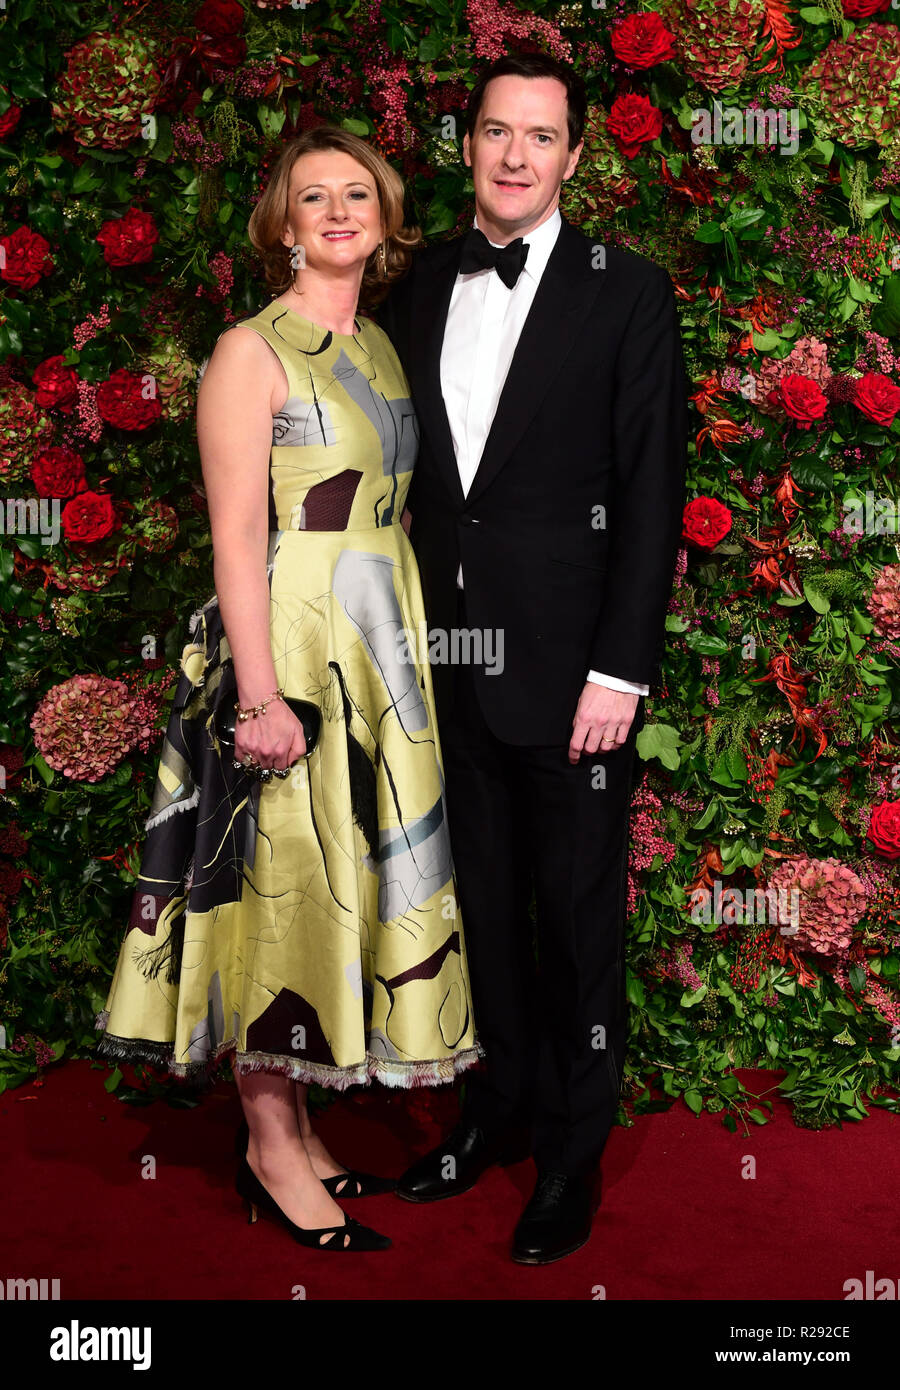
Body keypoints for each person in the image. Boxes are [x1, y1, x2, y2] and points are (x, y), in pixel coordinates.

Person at [95, 126, 481, 1253]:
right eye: (315, 197)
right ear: (284, 224)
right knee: (279, 881)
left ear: (386, 212)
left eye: (357, 193)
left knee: (335, 877)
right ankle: (268, 1143)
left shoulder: (381, 346)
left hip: (376, 642)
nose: (339, 211)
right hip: (291, 650)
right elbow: (234, 538)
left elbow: (394, 510)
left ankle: (299, 1124)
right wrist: (260, 696)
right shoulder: (248, 351)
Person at [377, 52, 689, 1264]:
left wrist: (621, 672)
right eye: (496, 132)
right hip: (445, 661)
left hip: (573, 681)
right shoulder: (413, 287)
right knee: (482, 915)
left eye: (540, 136)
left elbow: (652, 493)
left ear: (572, 156)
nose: (516, 155)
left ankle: (571, 1152)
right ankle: (494, 1109)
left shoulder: (627, 291)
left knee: (574, 920)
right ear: (468, 144)